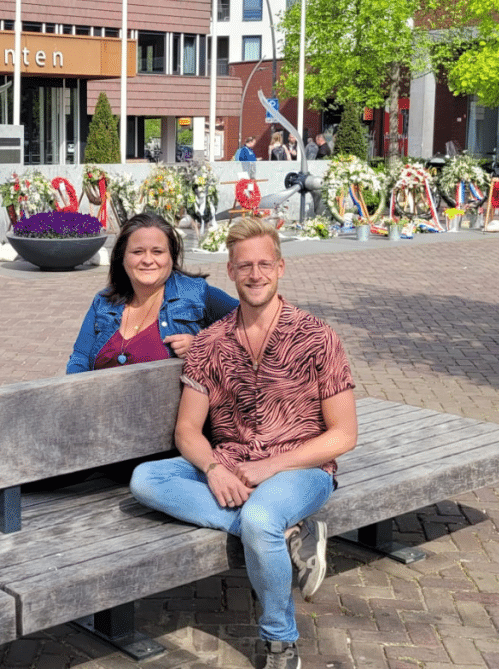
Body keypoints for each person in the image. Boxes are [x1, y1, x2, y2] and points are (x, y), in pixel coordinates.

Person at [129, 217, 357, 669]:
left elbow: (343, 435)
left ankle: (279, 640)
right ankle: (293, 535)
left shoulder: (317, 338)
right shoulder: (210, 344)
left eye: (264, 264)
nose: (255, 274)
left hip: (302, 469)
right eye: (245, 266)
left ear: (281, 268)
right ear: (230, 272)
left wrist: (268, 468)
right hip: (231, 463)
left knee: (259, 516)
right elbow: (187, 432)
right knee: (145, 478)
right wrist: (214, 470)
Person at [66, 213, 238, 373]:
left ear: (172, 256)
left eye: (157, 252)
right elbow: (79, 359)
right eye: (137, 252)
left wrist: (203, 344)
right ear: (122, 257)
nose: (148, 260)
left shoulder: (196, 293)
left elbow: (254, 326)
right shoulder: (103, 302)